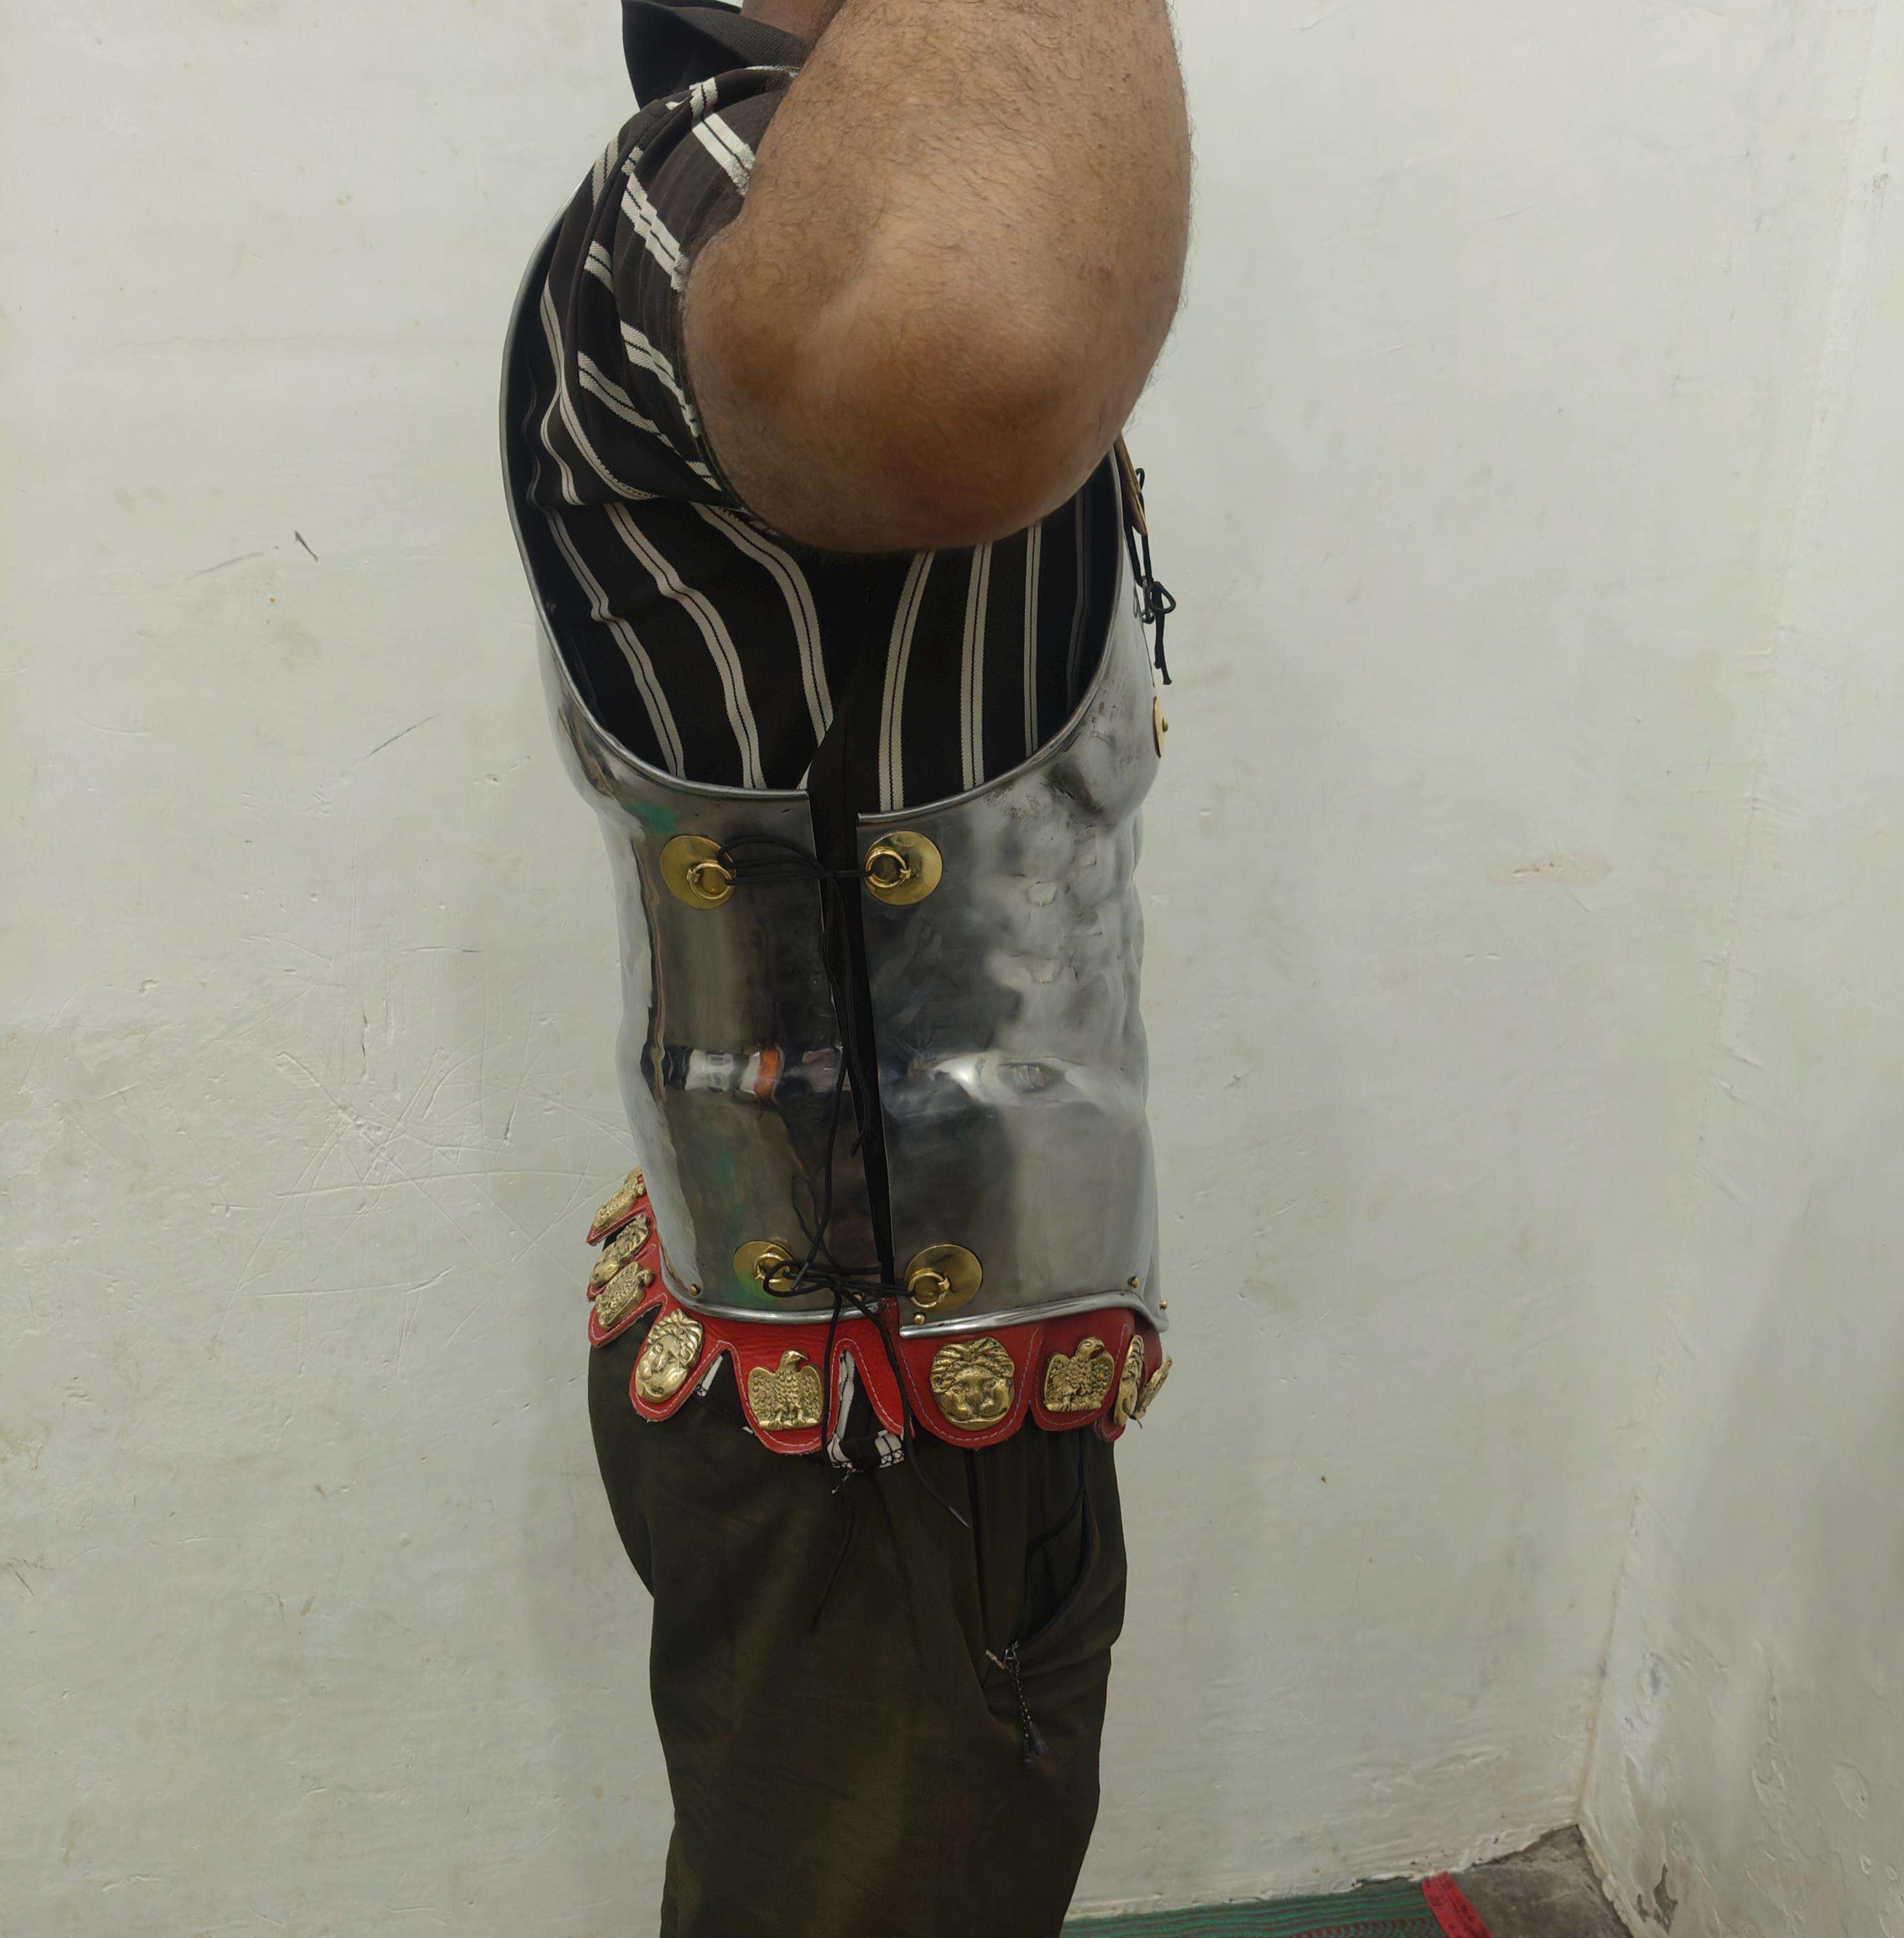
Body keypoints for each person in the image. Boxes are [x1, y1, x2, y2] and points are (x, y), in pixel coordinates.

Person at [499, 0, 1190, 1930]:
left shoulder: (793, 195)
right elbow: (988, 344)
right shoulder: (711, 196)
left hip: (906, 1373)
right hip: (875, 1393)